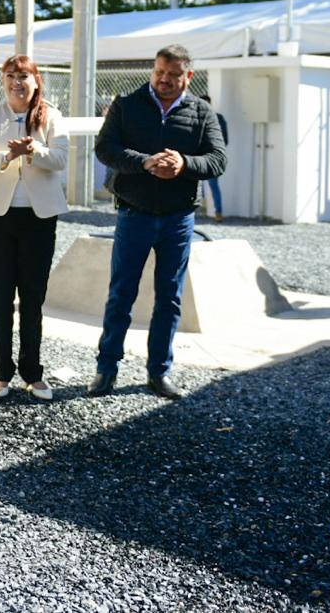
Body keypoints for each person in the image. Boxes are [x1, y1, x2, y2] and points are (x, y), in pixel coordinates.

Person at [89, 44, 226, 400]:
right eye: (160, 72)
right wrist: (146, 162)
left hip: (178, 220)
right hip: (134, 214)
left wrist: (184, 164)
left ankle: (159, 373)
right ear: (153, 70)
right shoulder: (127, 104)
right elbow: (105, 149)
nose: (164, 80)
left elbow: (218, 160)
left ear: (188, 76)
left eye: (173, 75)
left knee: (170, 297)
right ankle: (106, 370)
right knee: (121, 294)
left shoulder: (202, 112)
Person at [0, 55, 68, 401]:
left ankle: (33, 372)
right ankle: (1, 372)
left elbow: (61, 158)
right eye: (10, 76)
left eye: (23, 76)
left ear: (37, 81)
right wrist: (7, 157)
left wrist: (33, 150)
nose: (17, 82)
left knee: (32, 298)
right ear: (3, 81)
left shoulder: (51, 116)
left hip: (39, 219)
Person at [200, 94, 229, 222]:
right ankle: (199, 210)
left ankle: (218, 212)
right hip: (197, 158)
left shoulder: (218, 119)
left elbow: (224, 140)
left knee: (213, 185)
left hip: (211, 158)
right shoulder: (192, 117)